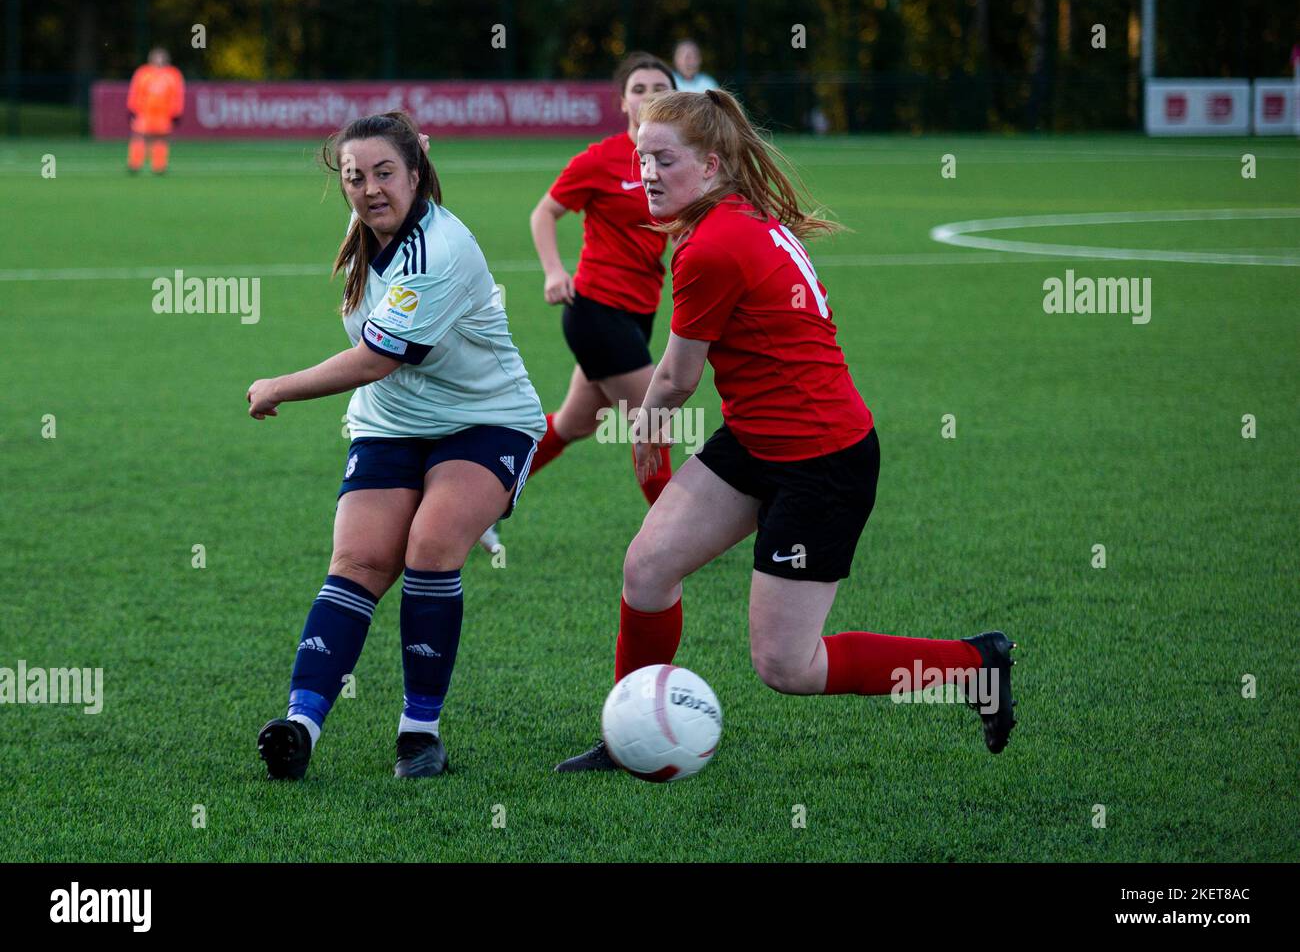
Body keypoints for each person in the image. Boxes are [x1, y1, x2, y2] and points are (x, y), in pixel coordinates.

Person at [555, 89, 1017, 772]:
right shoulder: (730, 218)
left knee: (786, 665)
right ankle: (629, 734)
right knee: (648, 568)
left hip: (821, 462)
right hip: (756, 439)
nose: (646, 173)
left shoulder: (712, 243)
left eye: (665, 160)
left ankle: (973, 665)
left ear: (711, 167)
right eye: (641, 157)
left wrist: (645, 434)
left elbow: (679, 378)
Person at [249, 111, 546, 780]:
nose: (369, 188)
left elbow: (375, 359)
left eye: (386, 173)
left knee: (430, 548)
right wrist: (402, 148)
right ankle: (300, 726)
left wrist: (278, 386)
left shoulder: (439, 251)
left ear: (417, 175)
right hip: (388, 425)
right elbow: (380, 374)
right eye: (355, 176)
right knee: (357, 562)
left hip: (486, 420)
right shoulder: (369, 223)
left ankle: (419, 734)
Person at [526, 52, 677, 505]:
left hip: (640, 312)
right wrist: (554, 271)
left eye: (660, 88)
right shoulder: (600, 159)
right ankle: (672, 539)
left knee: (575, 423)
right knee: (655, 420)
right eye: (639, 89)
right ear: (623, 103)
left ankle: (479, 496)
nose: (650, 96)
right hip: (596, 310)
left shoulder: (676, 160)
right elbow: (544, 212)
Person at [126, 47, 185, 175]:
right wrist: (132, 108)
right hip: (145, 113)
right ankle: (134, 164)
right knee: (139, 137)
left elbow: (177, 95)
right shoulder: (143, 73)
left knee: (161, 139)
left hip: (163, 114)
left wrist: (177, 113)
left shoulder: (173, 74)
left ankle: (159, 166)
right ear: (151, 58)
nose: (159, 59)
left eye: (161, 56)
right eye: (156, 56)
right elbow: (135, 91)